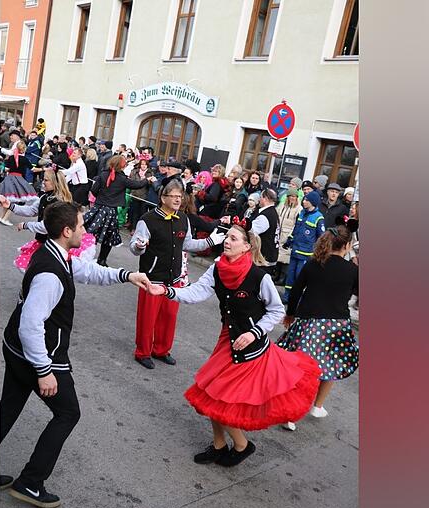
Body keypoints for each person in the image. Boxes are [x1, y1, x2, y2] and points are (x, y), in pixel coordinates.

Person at [0, 202, 152, 508]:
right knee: (68, 413)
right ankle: (31, 482)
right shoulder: (50, 275)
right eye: (81, 226)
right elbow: (31, 325)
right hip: (36, 353)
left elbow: (85, 270)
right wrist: (44, 371)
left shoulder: (57, 254)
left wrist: (126, 275)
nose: (85, 230)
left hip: (16, 348)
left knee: (7, 408)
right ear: (66, 231)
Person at [146, 225, 320, 466]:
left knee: (220, 400)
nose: (227, 241)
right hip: (227, 340)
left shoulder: (260, 277)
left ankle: (242, 445)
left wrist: (253, 332)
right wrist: (166, 290)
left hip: (250, 349)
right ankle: (219, 445)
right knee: (210, 395)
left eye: (233, 238)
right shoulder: (217, 268)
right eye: (227, 237)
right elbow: (196, 292)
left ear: (246, 247)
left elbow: (276, 310)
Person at [128, 179, 225, 369]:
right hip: (152, 277)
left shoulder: (183, 219)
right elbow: (135, 246)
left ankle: (161, 350)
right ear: (163, 198)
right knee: (148, 319)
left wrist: (210, 242)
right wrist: (139, 246)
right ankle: (143, 352)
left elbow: (187, 244)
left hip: (174, 279)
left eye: (180, 196)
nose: (178, 200)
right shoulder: (147, 220)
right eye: (173, 196)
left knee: (169, 317)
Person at [277, 225, 359, 430]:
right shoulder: (352, 270)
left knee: (302, 368)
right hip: (336, 325)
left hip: (308, 322)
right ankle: (318, 405)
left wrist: (290, 314)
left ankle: (291, 414)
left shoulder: (314, 264)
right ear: (348, 245)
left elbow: (296, 290)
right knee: (332, 364)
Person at [0, 168, 96, 270]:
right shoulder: (44, 197)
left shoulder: (59, 203)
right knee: (34, 270)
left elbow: (47, 226)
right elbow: (30, 210)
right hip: (43, 242)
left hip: (54, 245)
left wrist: (26, 225)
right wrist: (10, 205)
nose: (43, 183)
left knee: (43, 272)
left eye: (46, 180)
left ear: (54, 182)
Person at [83, 155, 148, 266]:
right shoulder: (122, 179)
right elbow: (137, 185)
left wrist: (102, 197)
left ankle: (84, 255)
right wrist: (147, 180)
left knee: (89, 231)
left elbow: (93, 190)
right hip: (111, 211)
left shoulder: (103, 175)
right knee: (109, 237)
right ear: (121, 166)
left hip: (98, 208)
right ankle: (102, 260)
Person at [283, 190, 326, 302]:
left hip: (306, 254)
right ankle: (287, 296)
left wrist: (319, 252)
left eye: (306, 200)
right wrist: (289, 240)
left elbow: (321, 237)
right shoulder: (301, 213)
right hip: (295, 250)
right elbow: (296, 229)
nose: (304, 201)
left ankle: (299, 298)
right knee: (290, 274)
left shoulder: (318, 217)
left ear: (313, 202)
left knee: (300, 276)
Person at [0, 140, 39, 225]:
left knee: (8, 199)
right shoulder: (24, 159)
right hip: (18, 180)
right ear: (23, 149)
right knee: (13, 201)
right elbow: (33, 169)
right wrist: (44, 169)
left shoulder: (11, 157)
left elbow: (6, 169)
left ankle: (2, 217)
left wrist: (12, 168)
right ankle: (5, 219)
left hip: (9, 178)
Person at [274, 189, 302, 285]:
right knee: (278, 255)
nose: (292, 198)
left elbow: (297, 224)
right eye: (290, 196)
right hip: (279, 233)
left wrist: (291, 235)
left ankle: (283, 278)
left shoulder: (299, 209)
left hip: (288, 235)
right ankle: (276, 275)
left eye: (294, 196)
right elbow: (276, 217)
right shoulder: (282, 206)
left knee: (286, 257)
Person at [127, 156, 156, 231]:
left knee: (142, 213)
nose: (143, 166)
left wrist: (147, 181)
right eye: (142, 164)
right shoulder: (135, 171)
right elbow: (132, 182)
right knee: (134, 213)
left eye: (145, 164)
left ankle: (139, 229)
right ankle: (133, 228)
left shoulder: (150, 173)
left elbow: (151, 185)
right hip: (135, 195)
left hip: (144, 196)